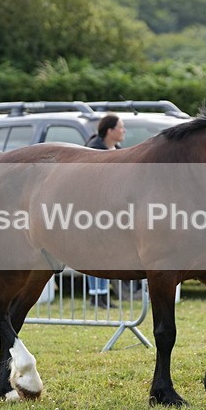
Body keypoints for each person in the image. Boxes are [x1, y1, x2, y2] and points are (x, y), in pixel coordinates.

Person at [84, 114, 126, 308]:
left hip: (112, 209)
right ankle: (95, 295)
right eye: (120, 127)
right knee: (94, 253)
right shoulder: (94, 150)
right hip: (93, 208)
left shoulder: (116, 150)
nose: (123, 131)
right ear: (110, 130)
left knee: (107, 254)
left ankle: (104, 294)